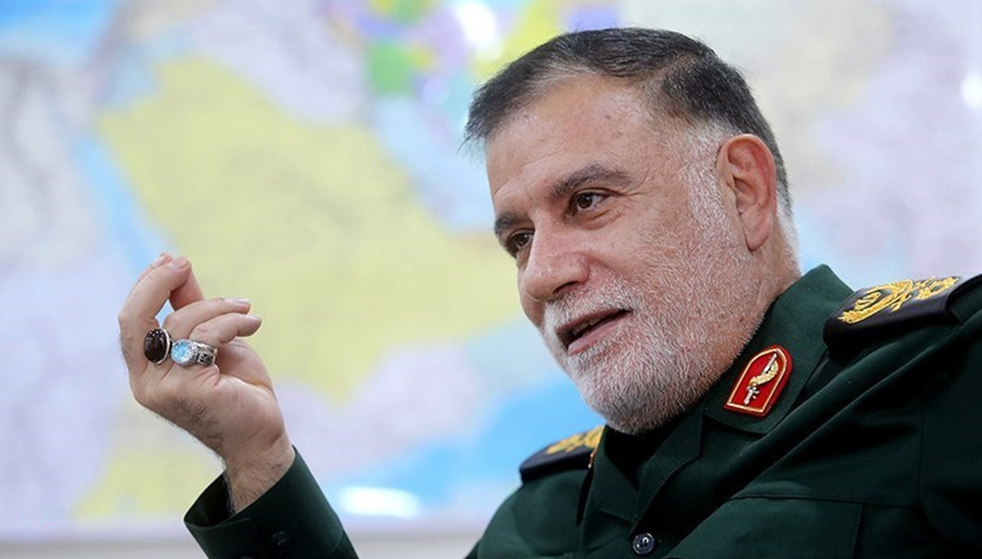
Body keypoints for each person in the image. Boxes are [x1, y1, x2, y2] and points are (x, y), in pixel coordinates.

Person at [118, 28, 982, 558]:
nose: (539, 275)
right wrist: (260, 462)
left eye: (589, 202)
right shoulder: (539, 516)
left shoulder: (945, 377)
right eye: (518, 238)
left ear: (743, 191)